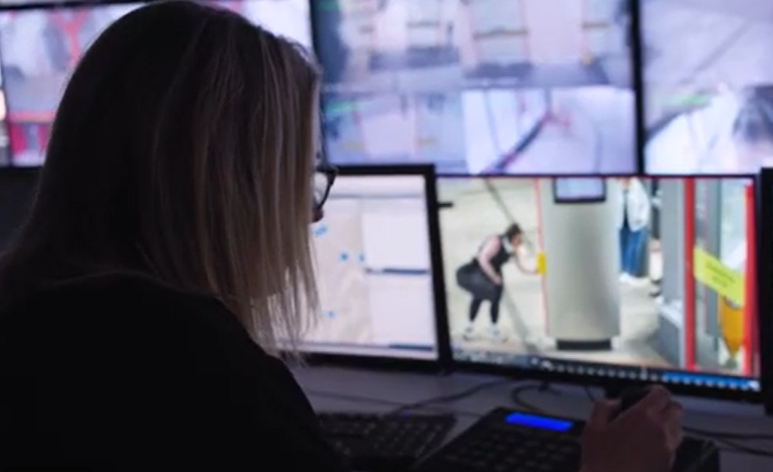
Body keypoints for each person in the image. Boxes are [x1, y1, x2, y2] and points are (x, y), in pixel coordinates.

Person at [0, 2, 682, 470]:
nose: (309, 215)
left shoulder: (33, 313)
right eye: (298, 179)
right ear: (227, 191)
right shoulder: (199, 370)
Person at [457, 223, 536, 341]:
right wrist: (494, 277)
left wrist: (533, 271)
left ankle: (492, 328)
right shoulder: (496, 241)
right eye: (519, 238)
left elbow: (520, 265)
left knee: (495, 300)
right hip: (480, 270)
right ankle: (469, 327)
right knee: (478, 298)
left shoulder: (513, 248)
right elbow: (483, 258)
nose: (520, 241)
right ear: (513, 236)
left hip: (495, 272)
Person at [616, 177, 651, 285]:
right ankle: (623, 272)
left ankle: (630, 272)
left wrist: (643, 218)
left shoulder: (636, 185)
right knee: (622, 247)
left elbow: (645, 203)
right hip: (620, 222)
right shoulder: (615, 186)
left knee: (633, 248)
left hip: (636, 223)